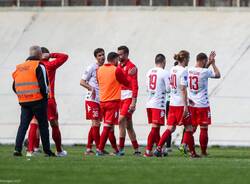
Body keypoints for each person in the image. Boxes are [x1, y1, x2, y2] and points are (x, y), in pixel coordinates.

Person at [154, 50, 199, 158]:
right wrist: (185, 105)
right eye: (188, 58)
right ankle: (190, 151)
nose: (189, 60)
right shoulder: (183, 71)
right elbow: (183, 88)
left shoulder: (172, 69)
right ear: (184, 59)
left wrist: (187, 99)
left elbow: (175, 88)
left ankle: (158, 148)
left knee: (170, 128)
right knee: (189, 128)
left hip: (172, 103)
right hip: (180, 104)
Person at [12, 46, 55, 157]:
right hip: (38, 100)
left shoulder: (19, 67)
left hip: (24, 101)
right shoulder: (39, 66)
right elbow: (44, 85)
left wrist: (22, 96)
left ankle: (17, 149)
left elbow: (14, 86)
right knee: (43, 126)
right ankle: (47, 151)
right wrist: (45, 98)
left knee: (23, 125)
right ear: (40, 55)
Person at [26, 47, 68, 157]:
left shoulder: (33, 66)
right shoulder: (49, 65)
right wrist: (50, 55)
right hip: (49, 99)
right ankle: (59, 150)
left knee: (35, 123)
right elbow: (65, 56)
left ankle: (30, 150)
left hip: (35, 98)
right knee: (54, 124)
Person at [96, 52, 129, 156]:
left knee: (109, 127)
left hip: (102, 101)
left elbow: (98, 81)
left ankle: (116, 149)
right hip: (112, 102)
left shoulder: (99, 69)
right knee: (108, 126)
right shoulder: (116, 69)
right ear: (114, 60)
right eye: (117, 60)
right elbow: (126, 82)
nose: (118, 62)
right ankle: (100, 149)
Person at [187, 51, 220, 156]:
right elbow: (218, 75)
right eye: (205, 61)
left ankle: (185, 145)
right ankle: (203, 151)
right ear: (202, 61)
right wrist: (213, 64)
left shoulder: (189, 70)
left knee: (190, 128)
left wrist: (208, 62)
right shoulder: (205, 72)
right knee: (203, 128)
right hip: (203, 105)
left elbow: (201, 70)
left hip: (191, 104)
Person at [144, 54, 170, 157]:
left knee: (156, 128)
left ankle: (160, 149)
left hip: (149, 103)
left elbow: (147, 88)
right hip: (158, 104)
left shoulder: (149, 72)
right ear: (163, 62)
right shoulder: (164, 73)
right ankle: (148, 150)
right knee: (155, 128)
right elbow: (168, 89)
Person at [80, 48, 105, 155]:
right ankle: (99, 148)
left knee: (96, 124)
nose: (102, 57)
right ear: (96, 57)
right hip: (92, 99)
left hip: (101, 99)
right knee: (95, 123)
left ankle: (89, 149)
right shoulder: (91, 67)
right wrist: (91, 88)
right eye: (99, 55)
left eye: (103, 55)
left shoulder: (105, 68)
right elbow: (82, 82)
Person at [117, 46, 140, 156]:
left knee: (121, 120)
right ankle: (136, 149)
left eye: (121, 54)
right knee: (128, 126)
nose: (119, 56)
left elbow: (135, 86)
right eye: (118, 54)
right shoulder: (118, 66)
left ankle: (120, 149)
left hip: (128, 97)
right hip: (120, 97)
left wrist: (133, 102)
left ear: (126, 54)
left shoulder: (132, 67)